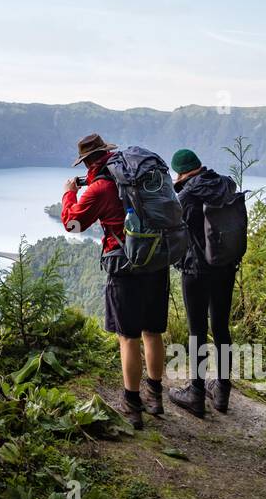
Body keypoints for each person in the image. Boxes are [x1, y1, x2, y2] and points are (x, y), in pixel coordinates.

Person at [61, 133, 169, 427]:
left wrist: (69, 193)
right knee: (152, 331)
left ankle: (132, 405)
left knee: (128, 337)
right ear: (108, 154)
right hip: (157, 260)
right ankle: (155, 397)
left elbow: (72, 223)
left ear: (87, 162)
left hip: (124, 266)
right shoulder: (141, 178)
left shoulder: (100, 188)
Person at [167, 149, 242, 416]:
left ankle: (196, 393)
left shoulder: (187, 195)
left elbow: (174, 225)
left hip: (196, 270)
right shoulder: (225, 183)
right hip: (225, 265)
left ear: (180, 172)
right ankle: (222, 390)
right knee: (221, 326)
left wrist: (178, 189)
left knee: (196, 330)